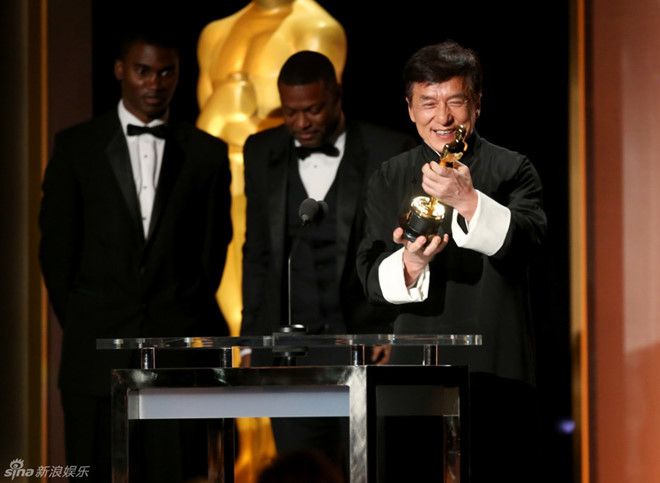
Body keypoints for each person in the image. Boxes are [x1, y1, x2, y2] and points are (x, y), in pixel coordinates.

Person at [38, 28, 232, 482]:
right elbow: (57, 253)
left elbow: (212, 254)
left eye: (167, 72)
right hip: (94, 357)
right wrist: (90, 321)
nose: (155, 83)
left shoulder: (207, 153)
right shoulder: (76, 147)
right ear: (120, 70)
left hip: (177, 357)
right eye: (143, 71)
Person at [356, 41, 546, 482]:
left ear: (477, 104)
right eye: (428, 103)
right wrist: (409, 264)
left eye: (455, 102)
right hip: (415, 370)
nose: (442, 118)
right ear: (410, 109)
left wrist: (468, 200)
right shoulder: (390, 175)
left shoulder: (513, 169)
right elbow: (367, 274)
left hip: (497, 366)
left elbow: (529, 243)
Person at [240, 51, 416, 470]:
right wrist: (251, 341)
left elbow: (406, 251)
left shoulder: (388, 150)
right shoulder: (261, 151)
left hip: (366, 348)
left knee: (371, 468)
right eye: (290, 112)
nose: (301, 123)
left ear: (337, 95)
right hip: (290, 355)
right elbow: (257, 251)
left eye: (313, 110)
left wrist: (394, 330)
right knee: (300, 471)